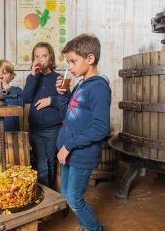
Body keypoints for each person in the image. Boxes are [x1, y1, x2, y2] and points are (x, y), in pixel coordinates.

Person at [56, 34, 111, 231]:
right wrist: (63, 96)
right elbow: (70, 114)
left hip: (81, 153)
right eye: (68, 62)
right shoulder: (81, 84)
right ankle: (85, 226)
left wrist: (69, 145)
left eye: (73, 61)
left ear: (90, 59)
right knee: (66, 193)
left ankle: (95, 228)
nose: (69, 67)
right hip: (68, 150)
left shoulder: (98, 87)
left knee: (74, 199)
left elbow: (100, 127)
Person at [22, 42, 69, 189]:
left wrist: (51, 100)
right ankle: (45, 196)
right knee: (40, 163)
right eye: (37, 56)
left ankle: (50, 193)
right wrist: (33, 76)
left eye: (44, 55)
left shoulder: (60, 77)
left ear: (51, 58)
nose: (40, 59)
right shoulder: (32, 78)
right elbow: (26, 98)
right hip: (35, 129)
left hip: (53, 129)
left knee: (50, 162)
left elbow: (67, 101)